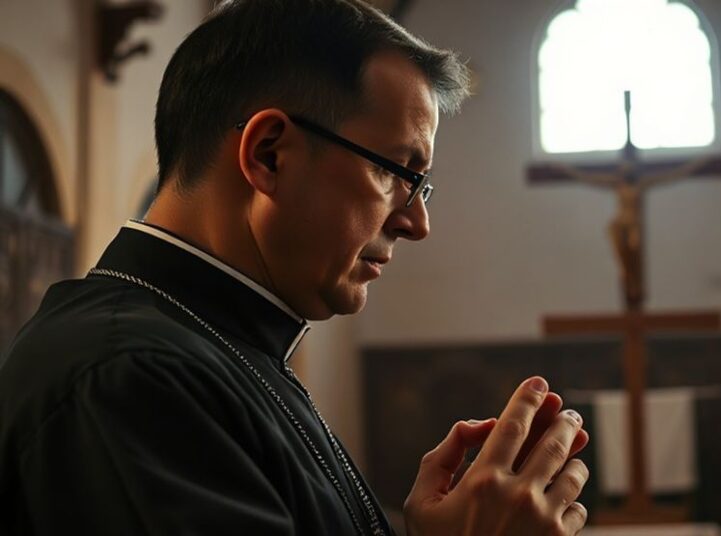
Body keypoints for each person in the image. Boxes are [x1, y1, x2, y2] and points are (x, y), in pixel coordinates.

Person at [0, 0, 590, 534]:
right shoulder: (132, 378)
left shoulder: (214, 347)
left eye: (421, 187)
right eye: (396, 173)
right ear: (269, 155)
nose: (415, 222)